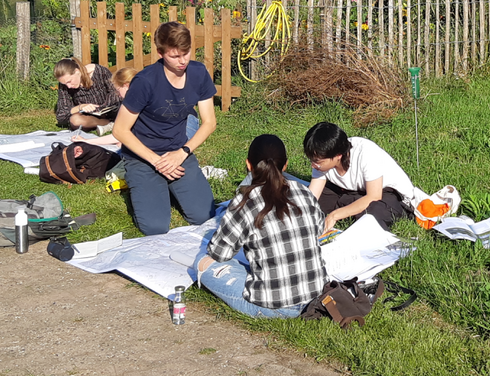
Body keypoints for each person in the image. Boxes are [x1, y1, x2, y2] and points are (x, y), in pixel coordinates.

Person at [194, 134, 328, 318]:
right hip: (316, 295)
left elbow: (219, 253)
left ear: (249, 165)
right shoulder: (304, 192)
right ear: (286, 165)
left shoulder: (245, 201)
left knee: (201, 262)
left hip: (273, 306)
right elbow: (319, 229)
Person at [112, 22, 217, 236]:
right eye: (174, 56)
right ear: (160, 53)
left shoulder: (198, 73)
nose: (182, 61)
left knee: (204, 216)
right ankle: (152, 185)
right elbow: (120, 130)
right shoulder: (145, 81)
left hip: (177, 150)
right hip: (143, 156)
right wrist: (158, 162)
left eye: (186, 53)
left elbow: (209, 122)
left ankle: (169, 185)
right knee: (155, 227)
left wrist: (182, 153)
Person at [304, 122, 414, 231]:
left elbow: (374, 196)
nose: (313, 165)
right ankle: (351, 207)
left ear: (338, 156)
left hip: (386, 193)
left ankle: (351, 210)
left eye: (318, 162)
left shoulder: (366, 152)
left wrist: (335, 215)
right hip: (352, 191)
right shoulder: (321, 163)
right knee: (310, 201)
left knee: (375, 213)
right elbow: (312, 196)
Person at [72, 67, 199, 146]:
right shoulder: (147, 88)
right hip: (186, 120)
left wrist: (87, 141)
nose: (119, 96)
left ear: (126, 86)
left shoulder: (138, 99)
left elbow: (119, 134)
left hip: (183, 126)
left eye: (118, 90)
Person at [54, 57, 121, 133]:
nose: (68, 86)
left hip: (111, 111)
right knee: (75, 120)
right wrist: (81, 107)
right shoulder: (65, 83)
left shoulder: (99, 72)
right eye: (65, 84)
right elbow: (61, 115)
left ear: (77, 71)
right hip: (89, 116)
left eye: (69, 81)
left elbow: (115, 93)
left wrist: (102, 108)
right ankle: (109, 124)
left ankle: (112, 123)